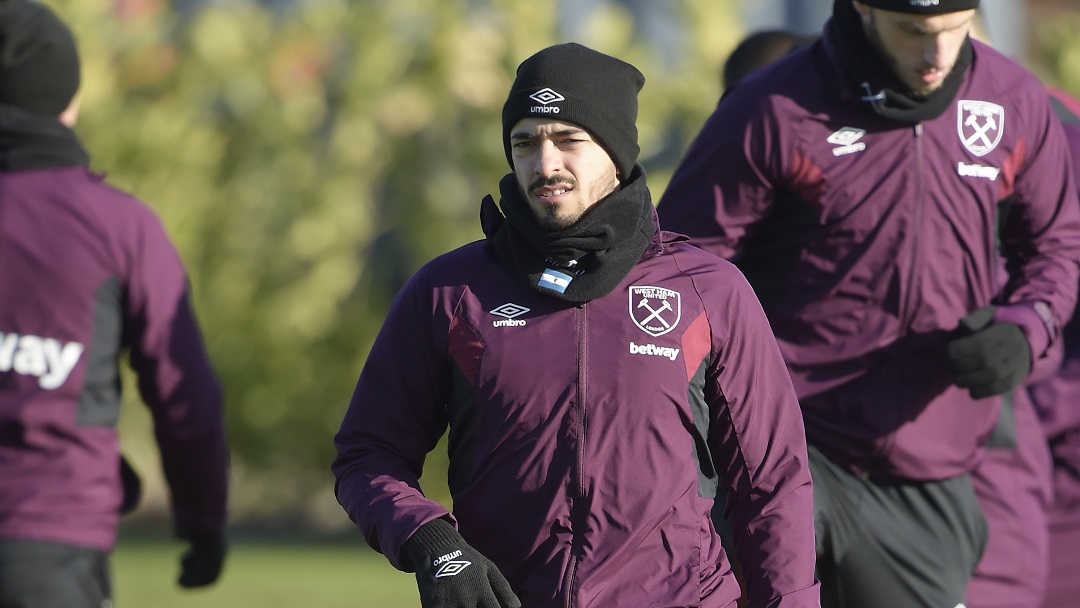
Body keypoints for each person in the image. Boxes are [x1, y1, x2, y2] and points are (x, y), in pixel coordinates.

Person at [333, 42, 820, 608]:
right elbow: (368, 455)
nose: (545, 165)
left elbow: (772, 485)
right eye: (525, 143)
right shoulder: (451, 292)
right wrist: (430, 540)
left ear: (616, 152)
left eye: (569, 140)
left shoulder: (707, 291)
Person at [656, 0, 1080, 607]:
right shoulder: (774, 106)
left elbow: (1055, 248)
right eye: (913, 31)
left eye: (953, 30)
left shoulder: (1012, 99)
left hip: (927, 463)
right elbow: (679, 269)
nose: (937, 55)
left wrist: (1025, 328)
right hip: (784, 450)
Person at [0, 1, 230, 606]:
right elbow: (185, 395)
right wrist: (203, 522)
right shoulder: (117, 225)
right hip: (50, 544)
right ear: (68, 102)